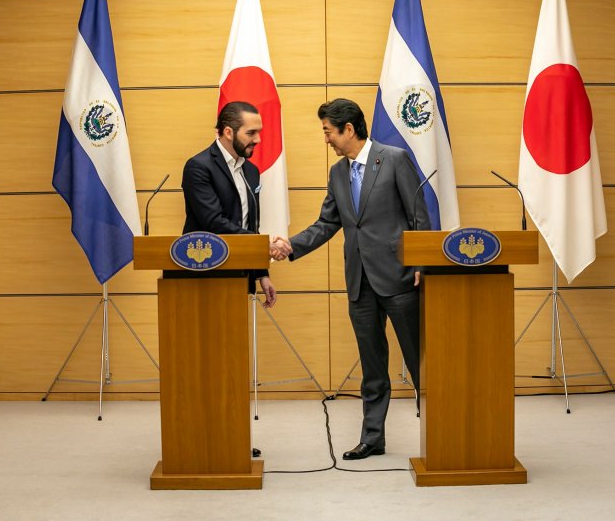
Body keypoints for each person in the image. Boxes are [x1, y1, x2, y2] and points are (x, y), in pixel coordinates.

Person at [271, 98, 429, 460]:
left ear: (348, 129)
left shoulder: (393, 159)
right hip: (360, 283)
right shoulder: (338, 174)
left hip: (401, 279)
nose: (326, 138)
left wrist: (422, 264)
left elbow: (418, 215)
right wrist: (289, 246)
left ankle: (443, 431)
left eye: (328, 131)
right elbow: (328, 223)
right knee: (372, 366)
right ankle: (373, 438)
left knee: (422, 362)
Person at [182, 100, 279, 308]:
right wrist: (264, 243)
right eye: (251, 133)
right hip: (207, 273)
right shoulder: (198, 167)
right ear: (228, 132)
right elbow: (213, 222)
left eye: (259, 132)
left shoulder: (251, 172)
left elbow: (251, 224)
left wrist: (262, 274)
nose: (258, 140)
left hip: (241, 274)